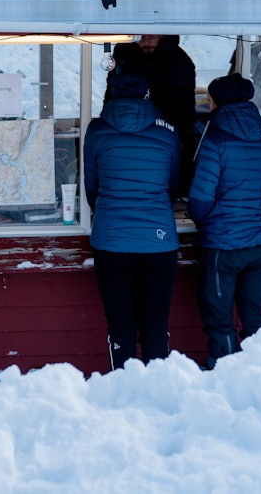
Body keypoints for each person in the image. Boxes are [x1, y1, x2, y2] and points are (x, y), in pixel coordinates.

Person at [84, 65, 181, 369]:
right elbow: (173, 183)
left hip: (112, 240)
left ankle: (122, 387)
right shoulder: (167, 131)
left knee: (119, 323)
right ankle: (156, 386)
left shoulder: (97, 130)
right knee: (155, 323)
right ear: (146, 93)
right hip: (158, 240)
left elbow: (91, 185)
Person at [188, 72, 261, 369]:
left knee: (219, 319)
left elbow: (201, 198)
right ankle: (260, 371)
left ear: (216, 102)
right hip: (259, 244)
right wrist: (250, 209)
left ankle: (224, 372)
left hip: (222, 247)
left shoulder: (215, 139)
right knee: (255, 316)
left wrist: (205, 220)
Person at [105, 35, 197, 196]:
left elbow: (185, 110)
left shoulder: (179, 62)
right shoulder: (123, 56)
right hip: (124, 134)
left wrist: (183, 144)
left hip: (164, 137)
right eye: (140, 37)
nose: (145, 42)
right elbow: (110, 98)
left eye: (151, 37)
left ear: (163, 36)